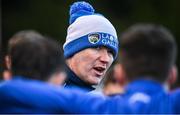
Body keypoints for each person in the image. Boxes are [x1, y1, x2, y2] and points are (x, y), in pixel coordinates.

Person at [63, 1, 119, 91]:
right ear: (73, 51)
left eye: (110, 52)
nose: (106, 59)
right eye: (97, 48)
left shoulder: (106, 100)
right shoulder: (43, 91)